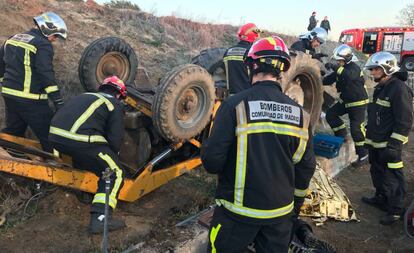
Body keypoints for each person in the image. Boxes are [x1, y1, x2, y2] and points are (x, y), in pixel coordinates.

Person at [201, 36, 316, 253]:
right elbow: (306, 167)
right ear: (281, 70)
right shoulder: (301, 115)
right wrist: (294, 208)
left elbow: (212, 162)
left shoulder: (233, 105)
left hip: (236, 215)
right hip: (280, 216)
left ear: (252, 67)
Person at [49, 76, 127, 234]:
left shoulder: (84, 96)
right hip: (79, 141)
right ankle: (100, 219)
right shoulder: (114, 104)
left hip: (55, 139)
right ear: (119, 94)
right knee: (115, 172)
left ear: (102, 88)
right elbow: (115, 138)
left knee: (87, 159)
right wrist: (114, 157)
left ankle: (86, 193)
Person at [0, 12, 67, 152]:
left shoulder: (13, 38)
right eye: (55, 35)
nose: (54, 39)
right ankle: (57, 168)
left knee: (13, 133)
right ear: (47, 29)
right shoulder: (42, 44)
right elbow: (45, 74)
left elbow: (1, 64)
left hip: (9, 95)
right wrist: (57, 100)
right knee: (51, 136)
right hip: (31, 99)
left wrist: (4, 83)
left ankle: (11, 163)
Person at [362, 52, 413, 225]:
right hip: (376, 142)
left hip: (389, 145)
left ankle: (396, 210)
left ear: (387, 68)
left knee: (392, 176)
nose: (373, 72)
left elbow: (405, 120)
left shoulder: (398, 88)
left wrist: (394, 145)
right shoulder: (381, 87)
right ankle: (381, 198)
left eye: (376, 69)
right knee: (377, 172)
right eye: (372, 69)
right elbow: (377, 113)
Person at [323, 44, 369, 167]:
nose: (339, 62)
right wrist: (318, 76)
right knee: (331, 115)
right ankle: (342, 136)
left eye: (341, 61)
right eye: (338, 61)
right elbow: (328, 79)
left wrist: (334, 66)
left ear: (348, 58)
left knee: (356, 128)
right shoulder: (340, 69)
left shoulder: (355, 68)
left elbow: (348, 75)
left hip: (358, 102)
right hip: (346, 101)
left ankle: (363, 154)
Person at [223, 23, 261, 95]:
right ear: (254, 36)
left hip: (231, 96)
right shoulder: (252, 53)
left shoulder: (228, 51)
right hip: (247, 96)